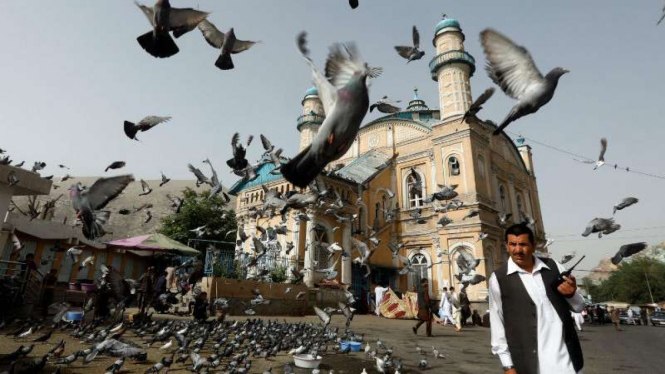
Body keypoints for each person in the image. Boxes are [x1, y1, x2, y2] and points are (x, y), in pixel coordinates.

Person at [489, 224, 584, 374]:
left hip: (569, 364)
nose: (518, 250)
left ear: (533, 246)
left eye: (523, 244)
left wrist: (571, 294)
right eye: (513, 244)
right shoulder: (499, 278)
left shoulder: (553, 267)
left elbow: (578, 307)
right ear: (506, 246)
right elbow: (497, 322)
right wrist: (508, 365)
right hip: (531, 365)